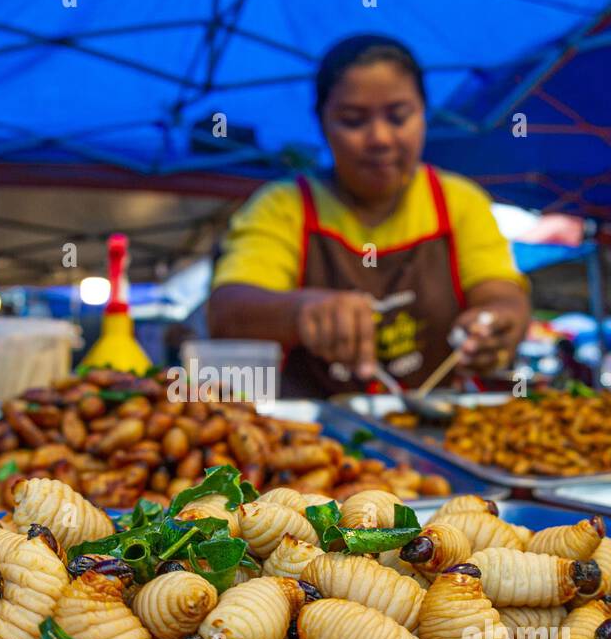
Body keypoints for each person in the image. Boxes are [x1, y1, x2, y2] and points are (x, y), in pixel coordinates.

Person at [208, 34, 531, 396]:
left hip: (435, 430)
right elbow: (227, 312)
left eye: (398, 116)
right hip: (314, 435)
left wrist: (496, 327)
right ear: (322, 123)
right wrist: (300, 311)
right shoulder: (283, 207)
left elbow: (503, 296)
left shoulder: (459, 203)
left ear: (424, 114)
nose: (379, 138)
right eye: (353, 120)